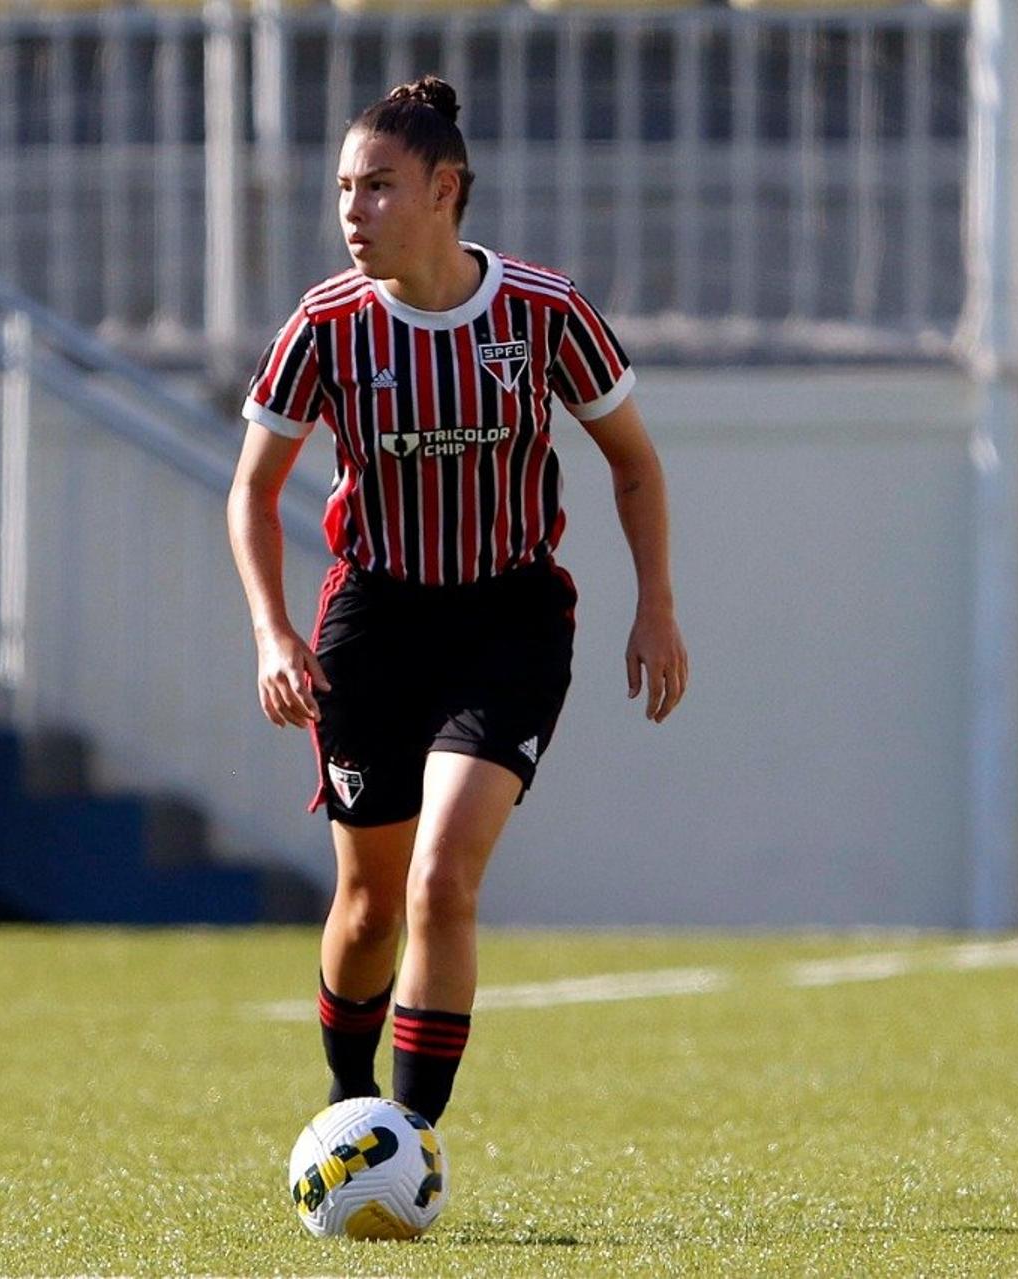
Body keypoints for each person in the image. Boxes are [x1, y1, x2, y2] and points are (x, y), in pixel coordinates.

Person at [225, 76, 689, 1127]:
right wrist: (273, 632)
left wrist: (655, 604)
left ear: (447, 190)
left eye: (379, 186)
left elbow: (633, 466)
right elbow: (250, 492)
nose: (352, 211)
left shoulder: (542, 311)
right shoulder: (326, 325)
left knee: (442, 879)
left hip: (510, 621)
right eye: (343, 188)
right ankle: (350, 1114)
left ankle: (412, 1138)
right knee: (368, 902)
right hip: (376, 623)